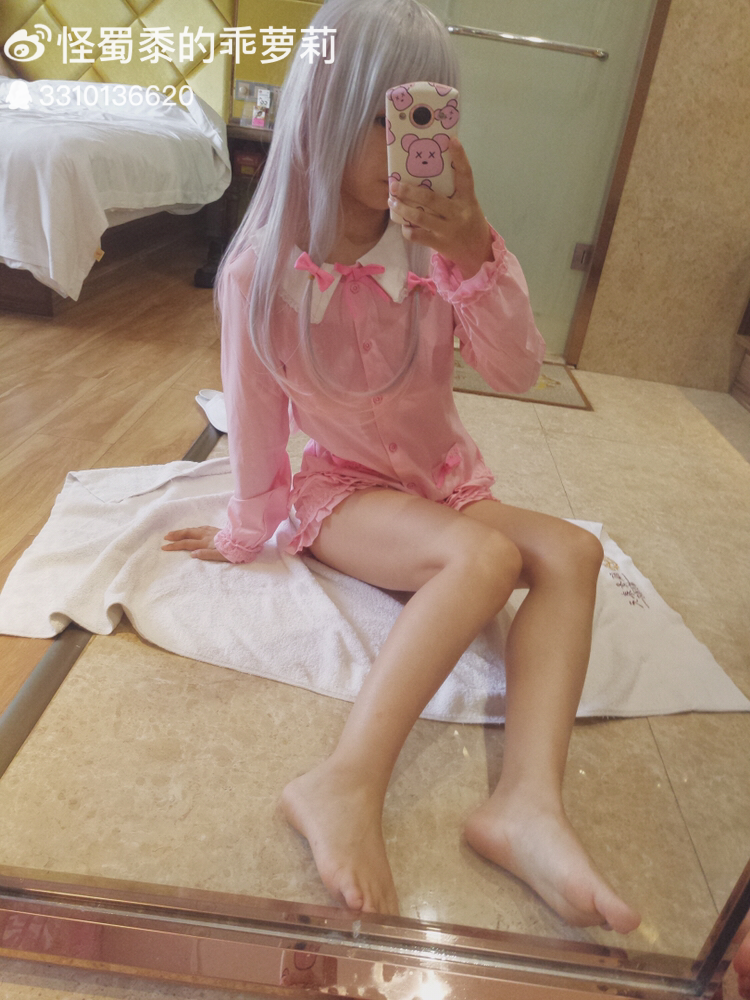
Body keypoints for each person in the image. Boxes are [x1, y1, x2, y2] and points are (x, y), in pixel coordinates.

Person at [163, 0, 641, 934]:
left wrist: (477, 254)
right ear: (325, 110)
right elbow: (255, 419)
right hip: (343, 496)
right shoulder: (262, 271)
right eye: (389, 116)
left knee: (573, 553)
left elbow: (516, 371)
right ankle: (344, 780)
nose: (412, 142)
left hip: (446, 485)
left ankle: (527, 803)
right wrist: (247, 528)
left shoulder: (436, 249)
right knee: (483, 560)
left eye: (430, 115)